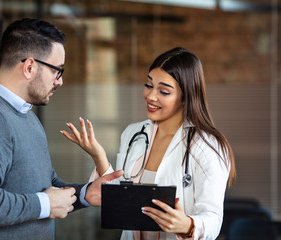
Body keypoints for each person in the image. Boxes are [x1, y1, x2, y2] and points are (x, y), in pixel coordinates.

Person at [0, 18, 122, 240]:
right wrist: (46, 204)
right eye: (57, 71)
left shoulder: (26, 116)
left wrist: (84, 194)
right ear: (29, 67)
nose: (59, 81)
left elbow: (46, 185)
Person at [61, 47, 236, 240]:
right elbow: (124, 197)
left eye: (164, 91)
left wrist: (187, 225)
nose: (151, 96)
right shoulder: (133, 133)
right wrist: (98, 155)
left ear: (186, 96)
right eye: (149, 85)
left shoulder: (207, 146)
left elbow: (213, 218)